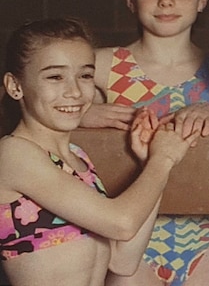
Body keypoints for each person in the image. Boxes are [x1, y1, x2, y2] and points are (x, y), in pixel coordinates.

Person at [81, 0, 209, 286]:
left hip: (204, 252)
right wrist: (81, 114)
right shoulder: (103, 65)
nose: (166, 0)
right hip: (132, 253)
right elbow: (22, 97)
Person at [0, 17, 197, 286]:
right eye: (55, 77)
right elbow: (122, 223)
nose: (75, 91)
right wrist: (163, 159)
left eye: (85, 75)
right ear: (15, 86)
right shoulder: (14, 154)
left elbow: (122, 261)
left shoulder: (77, 158)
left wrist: (149, 162)